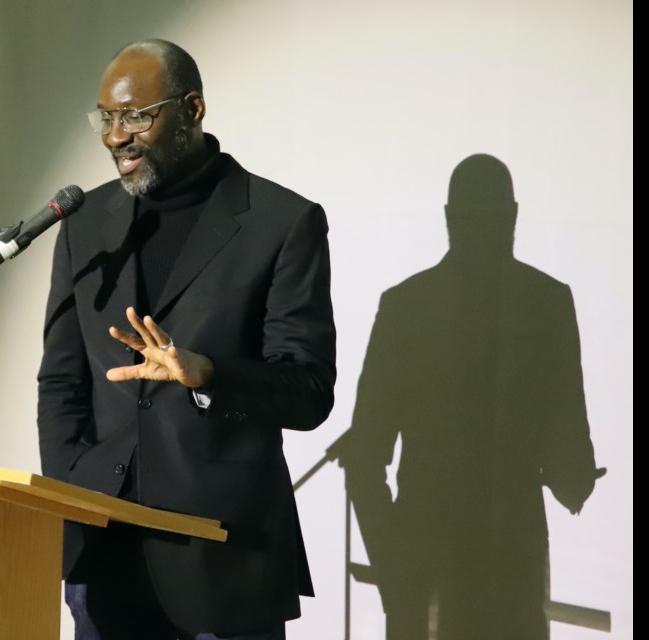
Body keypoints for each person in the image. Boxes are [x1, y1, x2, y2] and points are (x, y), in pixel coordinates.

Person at [37, 39, 336, 639]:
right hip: (103, 550)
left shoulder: (281, 223)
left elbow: (308, 391)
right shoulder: (84, 225)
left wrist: (209, 374)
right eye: (107, 117)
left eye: (137, 116)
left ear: (193, 110)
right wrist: (75, 489)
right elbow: (62, 379)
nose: (115, 136)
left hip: (223, 554)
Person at [339, 154, 601, 640]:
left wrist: (393, 560)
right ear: (514, 214)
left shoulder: (404, 305)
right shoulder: (548, 302)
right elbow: (571, 447)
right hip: (512, 557)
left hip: (421, 555)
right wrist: (574, 481)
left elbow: (365, 454)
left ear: (448, 216)